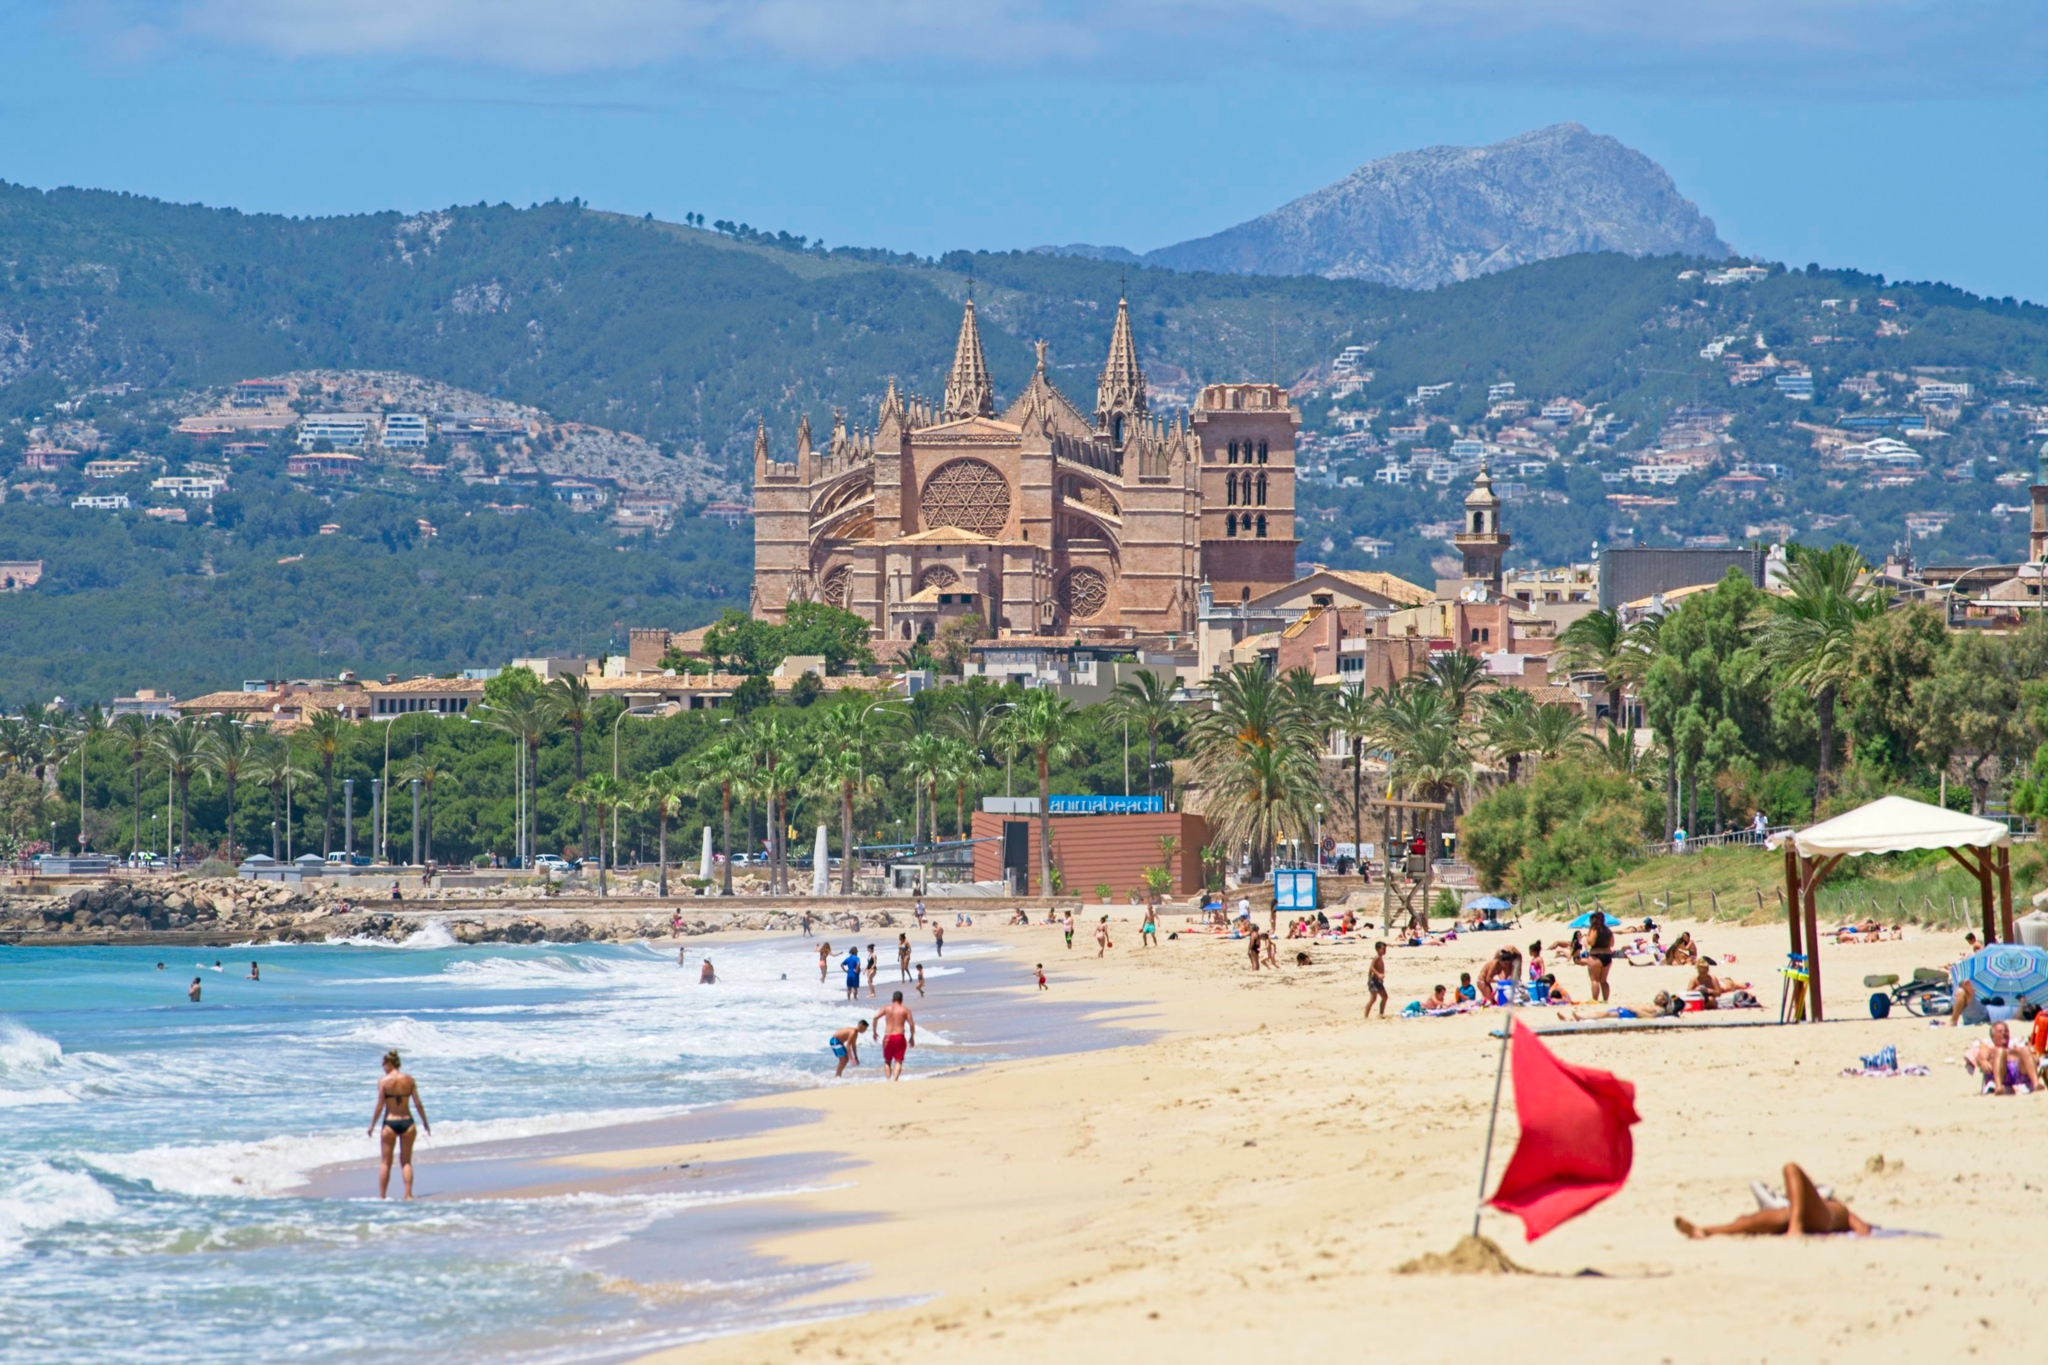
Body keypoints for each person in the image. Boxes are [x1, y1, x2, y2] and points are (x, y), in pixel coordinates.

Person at [1676, 1163, 1870, 1238]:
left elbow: (1859, 1224)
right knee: (1747, 1222)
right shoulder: (1826, 1208)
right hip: (1810, 1219)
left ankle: (1795, 1227)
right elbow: (1862, 1227)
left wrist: (1860, 1227)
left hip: (1819, 1220)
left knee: (1790, 1169)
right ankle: (1703, 1231)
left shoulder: (1834, 1206)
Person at [368, 1049, 431, 1200]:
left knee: (385, 1163)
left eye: (384, 1064)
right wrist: (425, 1122)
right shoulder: (409, 1080)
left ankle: (382, 1197)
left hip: (390, 1123)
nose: (383, 1067)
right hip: (408, 1122)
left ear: (389, 1064)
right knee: (406, 1162)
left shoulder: (383, 1081)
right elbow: (418, 1104)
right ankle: (408, 1194)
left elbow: (380, 1106)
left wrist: (372, 1125)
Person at [1970, 1020, 2039, 1094]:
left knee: (2025, 1050)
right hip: (2000, 1075)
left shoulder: (2015, 1048)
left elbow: (2034, 1058)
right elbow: (1980, 1058)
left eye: (2006, 1031)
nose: (2004, 1033)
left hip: (2019, 1074)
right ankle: (1998, 1087)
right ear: (1993, 1037)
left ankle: (2036, 1084)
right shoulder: (1989, 1049)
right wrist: (1982, 1062)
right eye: (2000, 1031)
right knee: (2001, 1051)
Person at [872, 990, 916, 1081]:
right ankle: (895, 1080)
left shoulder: (886, 1008)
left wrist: (874, 1032)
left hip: (887, 1037)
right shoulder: (905, 1010)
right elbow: (911, 1025)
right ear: (901, 1000)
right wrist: (912, 1037)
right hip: (899, 1037)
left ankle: (888, 1079)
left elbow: (875, 1018)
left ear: (893, 999)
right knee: (898, 1061)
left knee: (887, 1061)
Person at [1586, 911, 1614, 1002]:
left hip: (1596, 955)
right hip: (1607, 956)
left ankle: (1595, 1000)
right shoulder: (1608, 930)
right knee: (1604, 980)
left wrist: (1587, 936)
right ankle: (1605, 1000)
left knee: (1594, 980)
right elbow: (1612, 944)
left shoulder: (1594, 929)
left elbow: (1591, 942)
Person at [1366, 941, 1389, 1018]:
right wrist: (1378, 975)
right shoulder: (1376, 957)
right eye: (1383, 949)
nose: (1385, 951)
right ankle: (1366, 1016)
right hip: (1374, 981)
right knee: (1373, 999)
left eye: (1385, 949)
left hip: (1378, 981)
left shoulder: (1380, 958)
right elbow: (1371, 967)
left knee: (1385, 997)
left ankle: (1381, 1014)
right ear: (1377, 949)